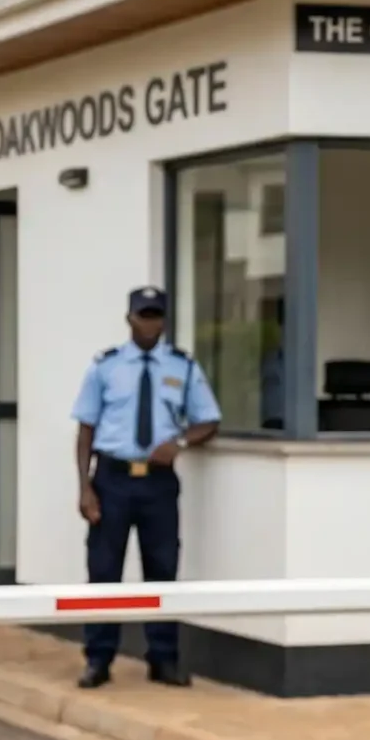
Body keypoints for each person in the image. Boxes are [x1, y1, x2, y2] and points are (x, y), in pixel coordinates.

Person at [71, 287, 220, 689]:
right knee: (104, 572)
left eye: (155, 315)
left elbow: (209, 420)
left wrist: (182, 443)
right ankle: (98, 660)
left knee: (162, 570)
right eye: (143, 315)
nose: (149, 322)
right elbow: (85, 429)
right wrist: (85, 487)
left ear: (164, 321)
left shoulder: (183, 368)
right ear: (129, 319)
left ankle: (164, 659)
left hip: (158, 484)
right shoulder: (105, 366)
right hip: (112, 479)